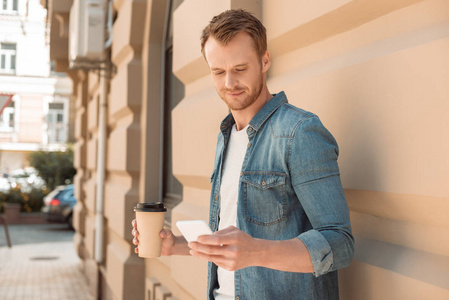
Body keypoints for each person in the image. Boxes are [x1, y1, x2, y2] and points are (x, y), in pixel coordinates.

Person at [132, 9, 354, 300]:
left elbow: (340, 244)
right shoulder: (227, 135)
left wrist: (257, 251)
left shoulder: (300, 132)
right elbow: (232, 244)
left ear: (265, 61)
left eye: (240, 69)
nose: (229, 83)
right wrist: (174, 245)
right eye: (218, 72)